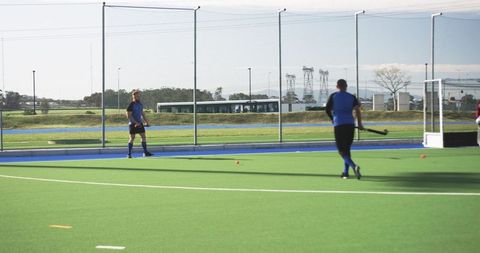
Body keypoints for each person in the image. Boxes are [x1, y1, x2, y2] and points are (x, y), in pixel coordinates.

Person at [325, 79, 364, 179]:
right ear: (346, 86)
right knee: (346, 149)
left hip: (339, 125)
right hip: (350, 125)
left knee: (341, 151)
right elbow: (357, 110)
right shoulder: (351, 97)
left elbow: (327, 110)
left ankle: (354, 166)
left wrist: (332, 119)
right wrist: (359, 123)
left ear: (337, 86)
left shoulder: (333, 96)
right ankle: (345, 172)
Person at [126, 90, 153, 158]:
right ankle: (129, 154)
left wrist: (147, 122)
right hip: (132, 124)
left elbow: (142, 114)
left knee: (143, 137)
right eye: (137, 96)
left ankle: (145, 152)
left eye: (139, 95)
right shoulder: (131, 105)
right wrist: (135, 122)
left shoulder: (140, 104)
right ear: (133, 96)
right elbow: (129, 116)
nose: (138, 97)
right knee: (132, 138)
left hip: (140, 124)